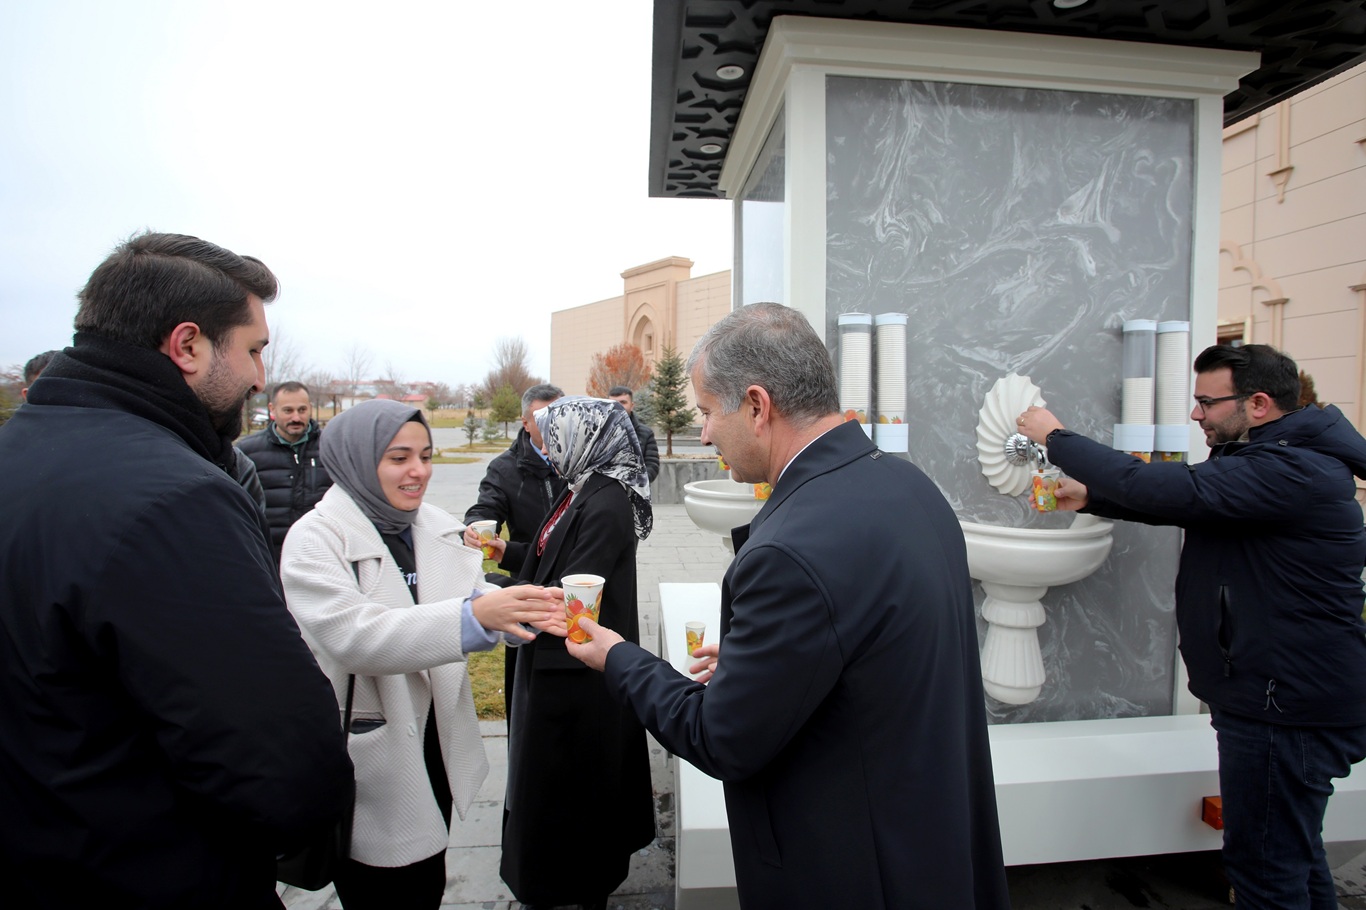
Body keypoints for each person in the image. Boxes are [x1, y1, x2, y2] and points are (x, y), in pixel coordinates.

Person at [567, 303, 1010, 910]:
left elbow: (720, 738)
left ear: (756, 405)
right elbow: (876, 656)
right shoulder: (910, 486)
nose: (701, 433)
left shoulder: (791, 550)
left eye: (704, 411)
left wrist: (619, 656)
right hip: (934, 840)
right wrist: (769, 663)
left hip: (856, 868)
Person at [0, 231, 353, 909]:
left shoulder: (23, 450)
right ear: (187, 346)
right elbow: (288, 773)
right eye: (253, 350)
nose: (259, 378)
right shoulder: (176, 497)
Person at [1017, 342, 1366, 910]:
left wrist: (1056, 439)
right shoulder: (1268, 458)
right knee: (1293, 860)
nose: (1196, 414)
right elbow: (1194, 501)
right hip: (1279, 695)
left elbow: (1173, 488)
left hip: (1284, 705)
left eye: (1207, 402)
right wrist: (1091, 497)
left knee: (1265, 874)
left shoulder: (1294, 470)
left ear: (1257, 403)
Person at [280, 398, 565, 910]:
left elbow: (466, 591)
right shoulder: (314, 540)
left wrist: (518, 611)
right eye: (398, 458)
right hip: (370, 753)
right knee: (383, 885)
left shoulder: (430, 524)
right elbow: (355, 636)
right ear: (355, 460)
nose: (418, 472)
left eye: (427, 456)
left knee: (426, 876)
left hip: (435, 738)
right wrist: (477, 617)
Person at [492, 396, 657, 910]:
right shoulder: (580, 489)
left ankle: (579, 886)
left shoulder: (605, 501)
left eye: (554, 434)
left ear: (584, 440)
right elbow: (550, 556)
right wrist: (509, 556)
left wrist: (499, 603)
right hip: (559, 666)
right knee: (555, 789)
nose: (546, 444)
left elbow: (577, 588)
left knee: (575, 790)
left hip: (578, 677)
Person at [463, 382, 567, 724]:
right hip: (528, 593)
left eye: (561, 416)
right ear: (526, 423)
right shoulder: (505, 469)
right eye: (544, 417)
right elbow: (485, 507)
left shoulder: (576, 461)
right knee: (527, 699)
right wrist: (478, 528)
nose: (555, 426)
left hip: (577, 590)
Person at [239, 380, 334, 563]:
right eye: (288, 410)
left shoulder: (330, 448)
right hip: (268, 557)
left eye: (302, 410)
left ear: (310, 408)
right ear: (272, 409)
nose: (296, 418)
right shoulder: (248, 453)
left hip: (320, 555)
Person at [608, 384, 660, 481]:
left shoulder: (646, 433)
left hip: (635, 492)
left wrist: (636, 482)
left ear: (632, 406)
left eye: (623, 402)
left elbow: (652, 465)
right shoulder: (599, 433)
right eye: (613, 403)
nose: (618, 406)